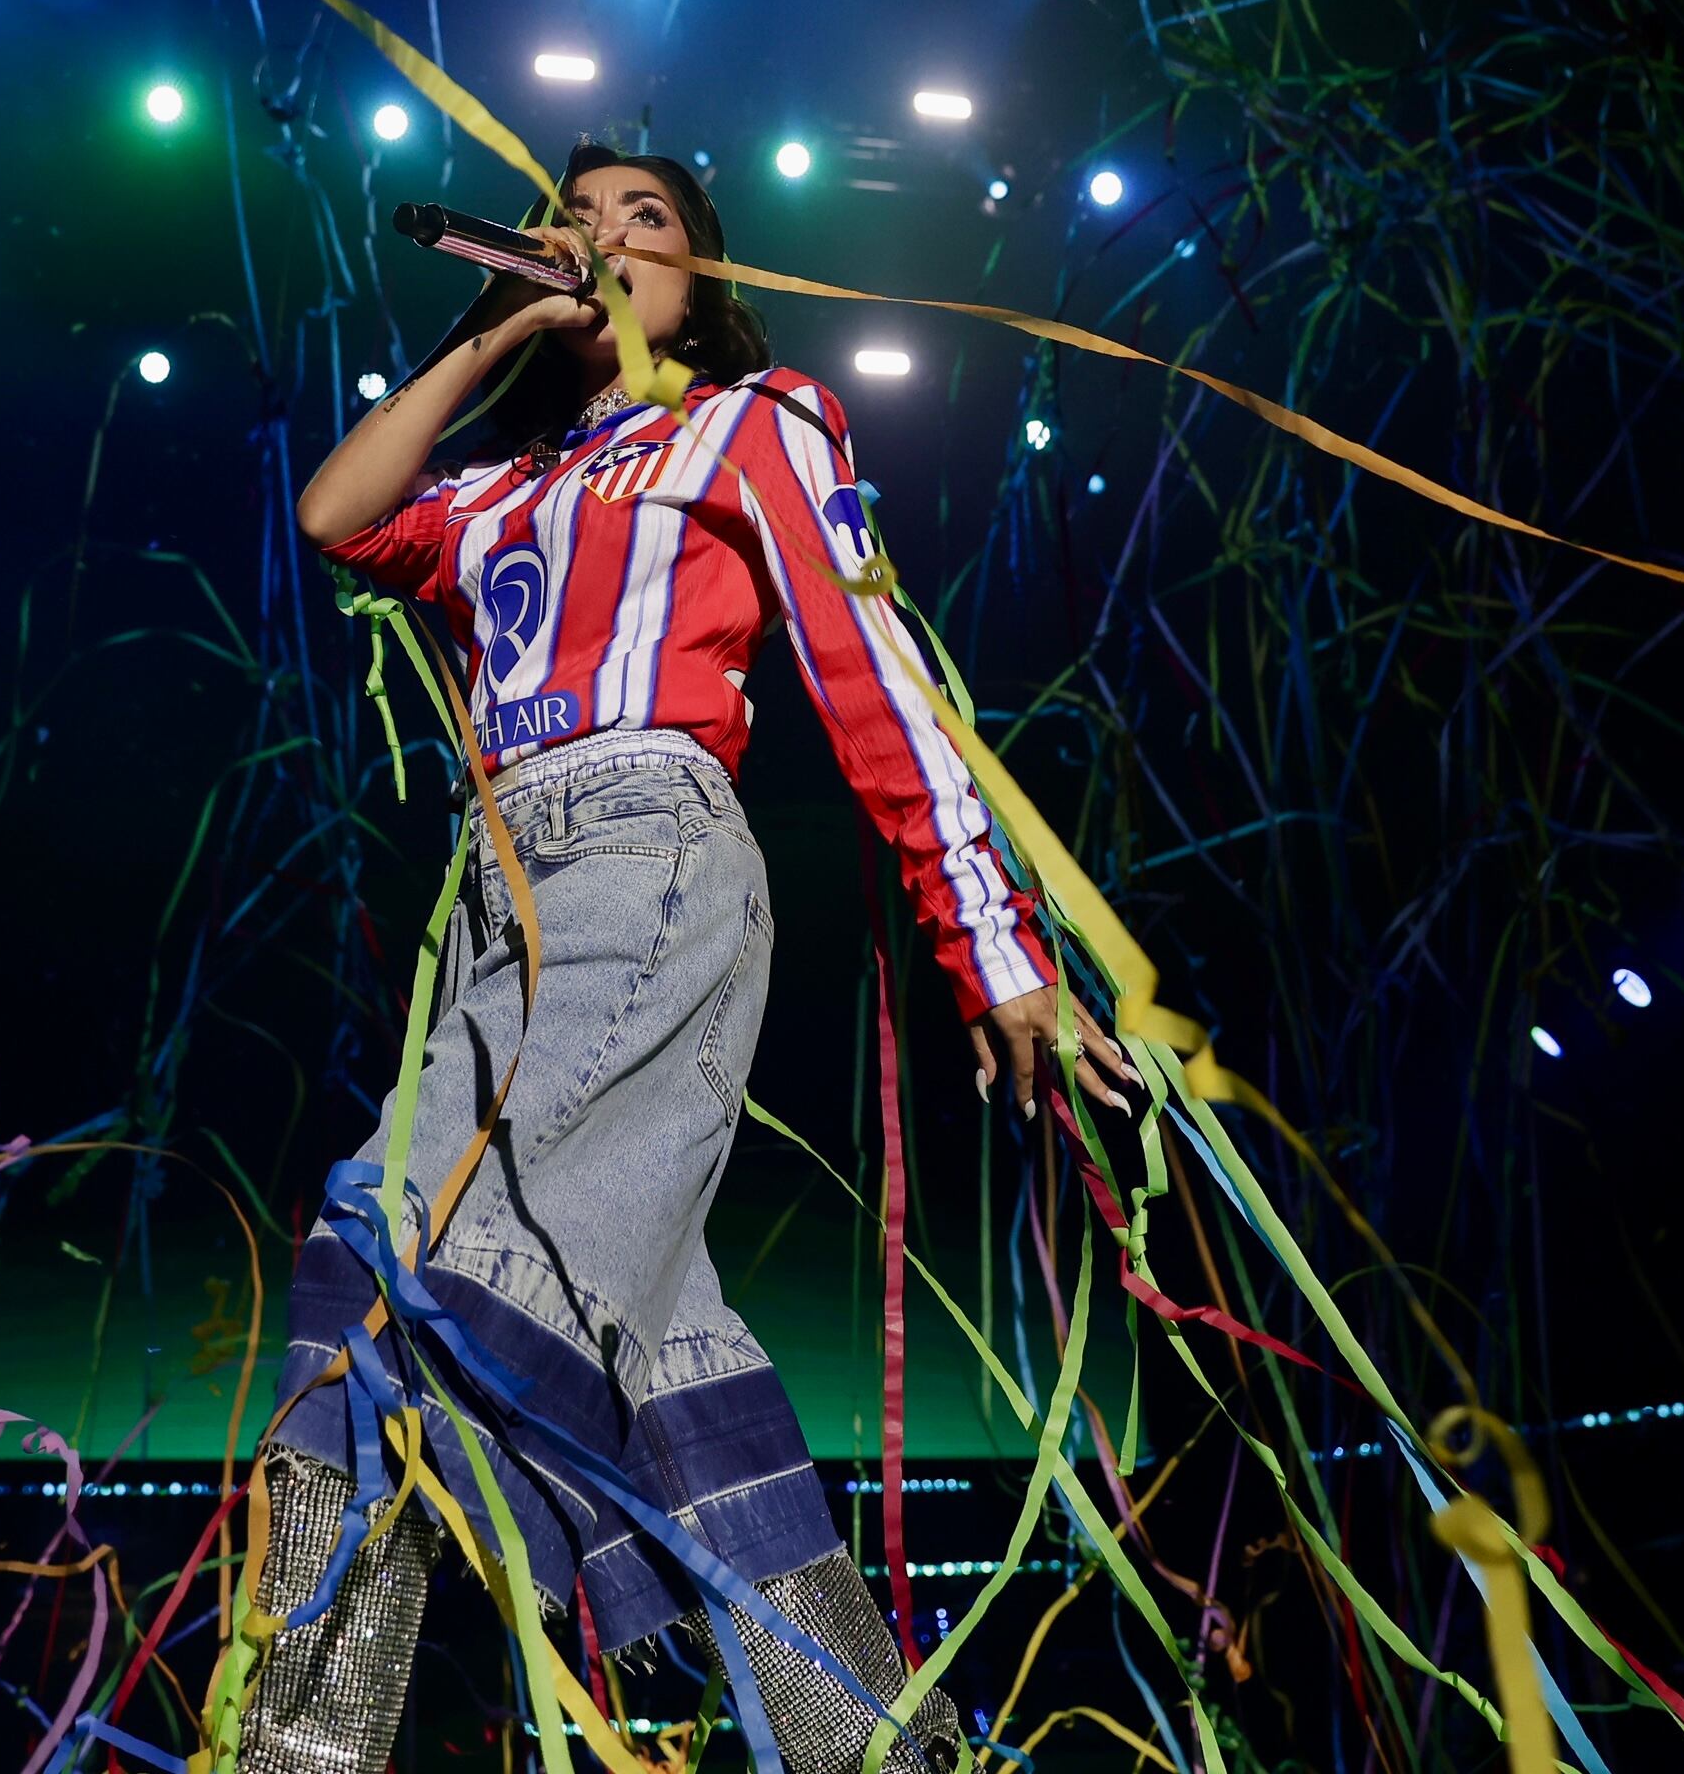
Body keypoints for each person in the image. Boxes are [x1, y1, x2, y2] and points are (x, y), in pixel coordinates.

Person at [235, 141, 1142, 1774]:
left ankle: (297, 1755)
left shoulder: (756, 421)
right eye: (571, 223)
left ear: (701, 278)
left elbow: (874, 675)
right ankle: (879, 1757)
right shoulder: (500, 493)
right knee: (670, 1371)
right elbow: (334, 515)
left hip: (649, 870)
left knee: (376, 1279)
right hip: (502, 910)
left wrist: (991, 943)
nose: (598, 240)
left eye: (639, 221)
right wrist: (492, 328)